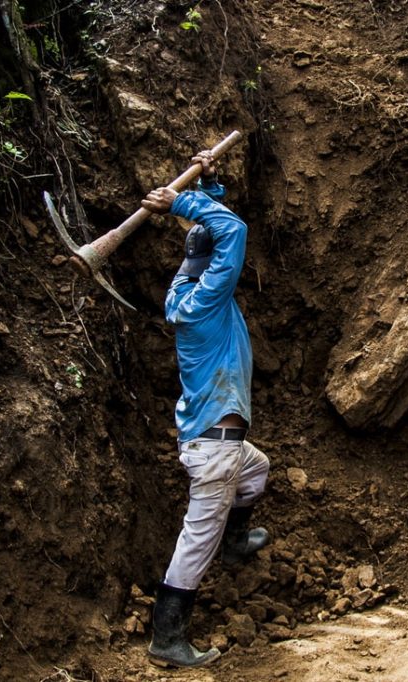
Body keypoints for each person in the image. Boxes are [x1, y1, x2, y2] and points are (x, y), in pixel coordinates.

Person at [141, 149, 271, 668]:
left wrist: (208, 188)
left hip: (219, 444)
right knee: (197, 540)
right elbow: (232, 234)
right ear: (211, 271)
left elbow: (212, 243)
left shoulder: (184, 292)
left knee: (258, 471)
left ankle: (236, 541)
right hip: (215, 450)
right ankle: (167, 637)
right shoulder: (207, 304)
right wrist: (182, 202)